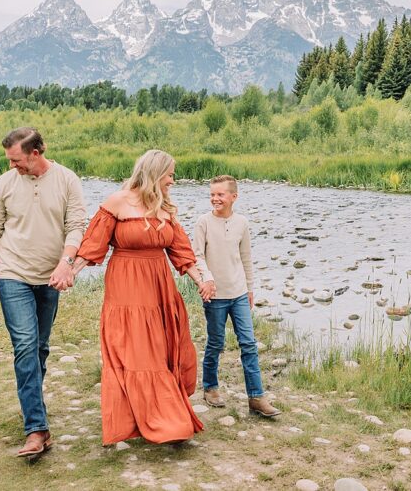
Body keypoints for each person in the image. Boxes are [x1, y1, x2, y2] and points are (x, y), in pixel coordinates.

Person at [53, 149, 215, 445]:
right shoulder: (117, 202)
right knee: (134, 349)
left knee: (160, 348)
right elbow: (93, 245)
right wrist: (71, 271)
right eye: (170, 174)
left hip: (159, 286)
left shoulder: (165, 208)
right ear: (155, 173)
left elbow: (181, 253)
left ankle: (164, 414)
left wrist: (202, 281)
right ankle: (145, 419)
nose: (173, 181)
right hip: (127, 285)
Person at [0, 127, 88, 459]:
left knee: (38, 348)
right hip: (13, 274)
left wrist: (67, 263)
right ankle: (37, 429)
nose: (12, 166)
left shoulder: (67, 180)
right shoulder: (5, 183)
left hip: (50, 277)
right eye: (9, 160)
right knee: (24, 345)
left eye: (17, 160)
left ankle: (31, 403)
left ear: (36, 153)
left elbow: (76, 226)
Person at [193, 175, 280, 418]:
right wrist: (207, 278)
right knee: (215, 343)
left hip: (239, 293)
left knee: (249, 344)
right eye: (212, 194)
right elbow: (197, 256)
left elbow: (246, 258)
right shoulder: (204, 222)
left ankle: (256, 396)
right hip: (215, 295)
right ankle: (210, 387)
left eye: (220, 194)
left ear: (233, 197)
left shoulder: (241, 223)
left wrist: (250, 289)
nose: (215, 198)